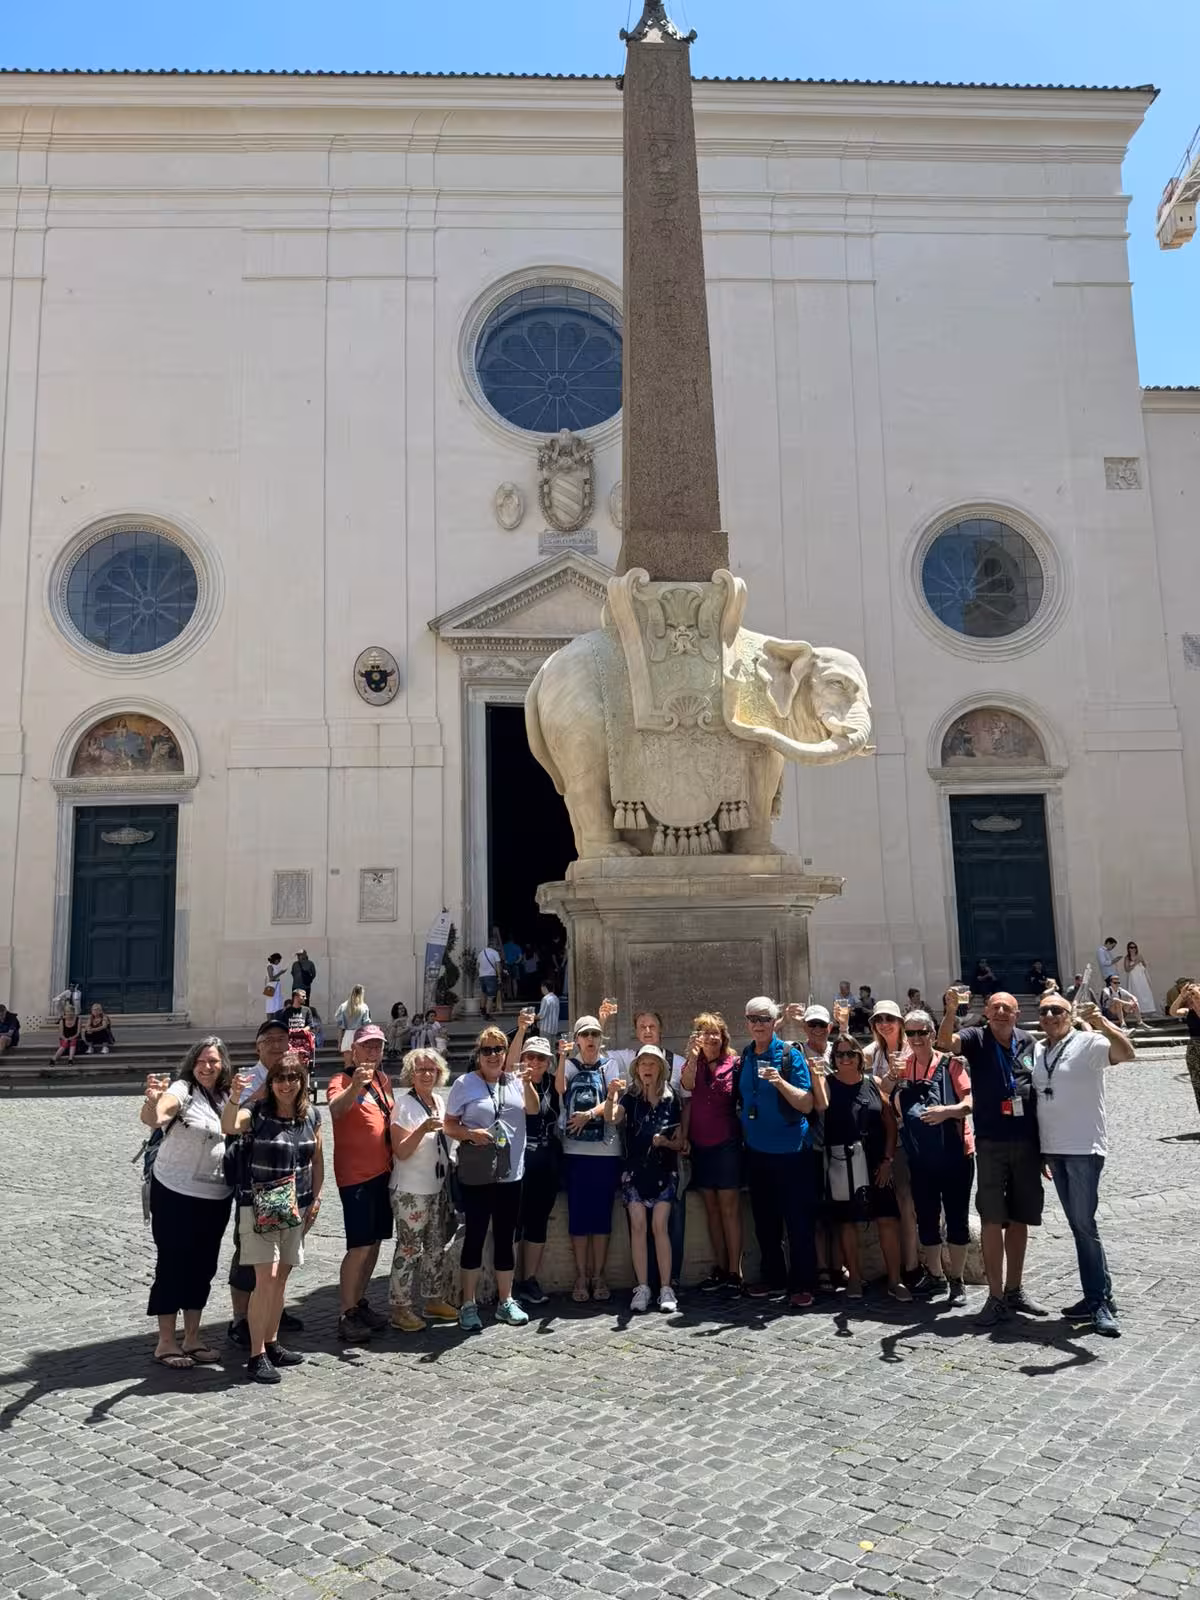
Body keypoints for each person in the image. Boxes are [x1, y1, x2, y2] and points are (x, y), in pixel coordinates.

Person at [936, 988, 1045, 1327]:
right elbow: (944, 1044)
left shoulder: (1028, 1042)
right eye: (994, 1006)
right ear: (985, 1012)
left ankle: (1015, 1289)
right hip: (991, 1143)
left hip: (1026, 1143)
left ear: (1016, 1014)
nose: (1000, 1011)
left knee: (1020, 1218)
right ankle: (995, 1296)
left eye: (1007, 1008)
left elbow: (1040, 1090)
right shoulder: (975, 1037)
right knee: (992, 1219)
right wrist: (951, 1010)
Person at [1033, 992, 1135, 1338]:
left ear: (1069, 1013)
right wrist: (1043, 1152)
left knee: (1084, 1226)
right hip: (1054, 1150)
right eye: (1044, 1010)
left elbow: (1126, 1053)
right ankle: (1101, 1295)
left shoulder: (1089, 1041)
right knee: (1080, 1227)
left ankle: (1098, 1303)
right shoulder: (1038, 1049)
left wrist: (1102, 1022)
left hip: (1083, 1148)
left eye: (1057, 1010)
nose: (1049, 1015)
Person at [221, 1048, 323, 1383]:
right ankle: (256, 1355)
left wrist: (317, 1199)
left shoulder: (311, 1116)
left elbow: (317, 1159)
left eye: (293, 1077)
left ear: (302, 1081)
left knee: (280, 1280)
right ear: (270, 1081)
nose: (286, 1084)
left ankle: (272, 1341)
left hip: (297, 1206)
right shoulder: (257, 1113)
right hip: (261, 1204)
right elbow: (230, 1125)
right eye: (279, 1077)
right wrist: (236, 1097)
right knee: (266, 1278)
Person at [140, 1038, 235, 1367]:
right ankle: (166, 1342)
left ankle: (192, 1337)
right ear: (192, 1063)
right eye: (202, 1061)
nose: (208, 1067)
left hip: (216, 1196)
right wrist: (153, 1100)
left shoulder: (226, 1096)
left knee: (203, 1267)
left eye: (214, 1061)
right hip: (175, 1193)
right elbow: (157, 1115)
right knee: (172, 1264)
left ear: (223, 1064)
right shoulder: (183, 1088)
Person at [443, 1026, 539, 1331]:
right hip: (478, 1174)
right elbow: (448, 1125)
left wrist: (526, 1084)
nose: (494, 1055)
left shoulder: (514, 1081)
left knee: (505, 1238)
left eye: (499, 1049)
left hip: (511, 1173)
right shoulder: (465, 1083)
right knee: (474, 1237)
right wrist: (471, 1134)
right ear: (478, 1054)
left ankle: (505, 1301)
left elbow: (534, 1110)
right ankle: (468, 1303)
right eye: (487, 1050)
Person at [882, 1010, 974, 1306]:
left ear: (933, 1034)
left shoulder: (951, 1064)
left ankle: (957, 1281)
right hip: (921, 1156)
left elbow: (971, 1102)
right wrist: (893, 1075)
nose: (917, 1039)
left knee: (957, 1217)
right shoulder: (904, 1065)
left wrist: (945, 1111)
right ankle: (936, 1275)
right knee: (927, 1218)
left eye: (922, 1033)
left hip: (956, 1152)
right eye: (911, 1034)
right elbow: (883, 1092)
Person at [225, 1017, 305, 1346]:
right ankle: (241, 1317)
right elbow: (231, 1122)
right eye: (269, 1039)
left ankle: (273, 1309)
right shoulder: (246, 1078)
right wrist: (256, 1096)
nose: (276, 1044)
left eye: (281, 1038)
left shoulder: (294, 1073)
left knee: (281, 1254)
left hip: (287, 1181)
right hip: (253, 1178)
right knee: (249, 1251)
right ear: (258, 1046)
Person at [737, 996, 819, 1308]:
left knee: (797, 1221)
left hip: (792, 1151)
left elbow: (807, 1103)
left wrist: (780, 1082)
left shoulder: (789, 1054)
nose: (758, 1024)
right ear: (747, 1022)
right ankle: (774, 1278)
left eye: (764, 1019)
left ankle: (803, 1283)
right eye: (753, 1019)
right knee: (765, 1221)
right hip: (757, 1151)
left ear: (774, 1023)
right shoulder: (746, 1054)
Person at [605, 1004, 690, 1294]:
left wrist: (678, 1141)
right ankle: (644, 1285)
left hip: (667, 1165)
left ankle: (669, 1282)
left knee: (668, 1225)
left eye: (652, 1026)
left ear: (661, 1030)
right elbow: (600, 1057)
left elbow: (685, 1104)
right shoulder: (629, 1084)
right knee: (640, 1226)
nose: (647, 1031)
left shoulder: (677, 1067)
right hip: (636, 1167)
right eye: (642, 1027)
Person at [821, 1034, 909, 1301]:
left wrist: (887, 1160)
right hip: (842, 1160)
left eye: (850, 1054)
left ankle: (895, 1280)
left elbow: (890, 1124)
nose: (845, 1059)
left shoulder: (873, 1083)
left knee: (888, 1219)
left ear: (860, 1057)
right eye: (840, 1055)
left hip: (875, 1161)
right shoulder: (826, 1085)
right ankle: (855, 1279)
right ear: (833, 1059)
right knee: (848, 1222)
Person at [326, 1024, 393, 1343]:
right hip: (355, 1177)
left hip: (384, 1172)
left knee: (376, 1242)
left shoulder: (383, 1080)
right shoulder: (340, 1080)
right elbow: (336, 1111)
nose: (372, 1052)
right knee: (359, 1246)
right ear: (353, 1051)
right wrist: (354, 1086)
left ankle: (359, 1301)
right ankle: (345, 1312)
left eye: (377, 1047)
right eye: (367, 1047)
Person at [388, 1047, 460, 1332]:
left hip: (436, 1187)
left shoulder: (439, 1102)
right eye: (421, 1070)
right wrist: (421, 1130)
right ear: (411, 1075)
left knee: (435, 1247)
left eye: (432, 1069)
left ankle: (433, 1299)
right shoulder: (404, 1105)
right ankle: (400, 1307)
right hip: (410, 1189)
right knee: (408, 1248)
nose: (427, 1074)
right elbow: (400, 1151)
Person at [556, 1014, 625, 1303]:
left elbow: (615, 1100)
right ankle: (581, 1275)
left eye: (595, 1035)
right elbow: (560, 1088)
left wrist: (588, 1114)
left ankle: (598, 1274)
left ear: (601, 1039)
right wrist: (561, 1058)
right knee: (579, 1217)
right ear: (578, 1040)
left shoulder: (611, 1065)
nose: (591, 1040)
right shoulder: (570, 1065)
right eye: (585, 1035)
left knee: (601, 1217)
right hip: (575, 1150)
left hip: (606, 1150)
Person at [681, 1012, 743, 1294]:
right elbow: (688, 1086)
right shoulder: (693, 1064)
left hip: (727, 1143)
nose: (710, 1038)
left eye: (715, 1032)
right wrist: (693, 1057)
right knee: (712, 1210)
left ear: (723, 1036)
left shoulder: (736, 1063)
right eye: (704, 1032)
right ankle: (720, 1267)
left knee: (729, 1209)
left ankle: (735, 1271)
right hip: (700, 1145)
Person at [863, 1000, 920, 1285]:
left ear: (900, 1022)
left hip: (914, 1133)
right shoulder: (872, 1053)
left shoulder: (914, 1048)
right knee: (900, 1199)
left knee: (910, 1200)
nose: (884, 1023)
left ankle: (914, 1265)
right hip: (891, 1135)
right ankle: (907, 1265)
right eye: (879, 1019)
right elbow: (875, 1087)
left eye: (890, 1018)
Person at [506, 1014, 561, 1306]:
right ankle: (511, 1281)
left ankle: (530, 1279)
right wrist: (523, 1030)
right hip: (519, 1159)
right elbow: (508, 1065)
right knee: (515, 1221)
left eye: (541, 1058)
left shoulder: (555, 1082)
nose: (536, 1063)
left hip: (547, 1159)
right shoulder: (513, 1082)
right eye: (530, 1057)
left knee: (538, 1221)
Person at [1169, 982, 1200, 1118]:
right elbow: (1173, 1011)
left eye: (1195, 994)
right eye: (1192, 994)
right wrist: (1181, 996)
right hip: (1194, 1048)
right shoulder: (1189, 1011)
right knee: (1198, 1085)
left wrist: (1198, 993)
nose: (1193, 996)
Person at [334, 984, 371, 1069]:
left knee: (347, 1065)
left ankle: (347, 1081)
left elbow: (340, 1027)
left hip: (347, 1035)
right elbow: (366, 1024)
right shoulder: (364, 1007)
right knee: (360, 1065)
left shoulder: (343, 1006)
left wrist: (339, 1042)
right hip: (360, 1035)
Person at [1122, 942, 1156, 1017]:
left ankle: (1147, 1010)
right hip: (1133, 978)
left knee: (1145, 992)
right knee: (1136, 993)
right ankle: (1136, 1011)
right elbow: (1127, 969)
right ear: (1128, 949)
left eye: (1134, 947)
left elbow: (1144, 965)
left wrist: (1142, 962)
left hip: (1141, 977)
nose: (1133, 949)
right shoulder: (1127, 958)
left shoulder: (1139, 956)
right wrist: (1135, 963)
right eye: (1131, 947)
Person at [476, 941, 503, 1019]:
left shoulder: (481, 953)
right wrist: (499, 976)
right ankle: (488, 1014)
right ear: (494, 946)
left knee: (483, 993)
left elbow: (477, 966)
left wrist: (480, 973)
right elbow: (498, 965)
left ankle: (482, 1010)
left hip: (482, 976)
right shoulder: (495, 953)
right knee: (491, 996)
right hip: (491, 976)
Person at [502, 935, 523, 1003]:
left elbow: (502, 956)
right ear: (513, 940)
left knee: (508, 981)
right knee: (514, 981)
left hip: (506, 965)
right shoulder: (517, 946)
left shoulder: (504, 946)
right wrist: (516, 962)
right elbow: (520, 957)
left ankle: (509, 996)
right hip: (514, 965)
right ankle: (515, 996)